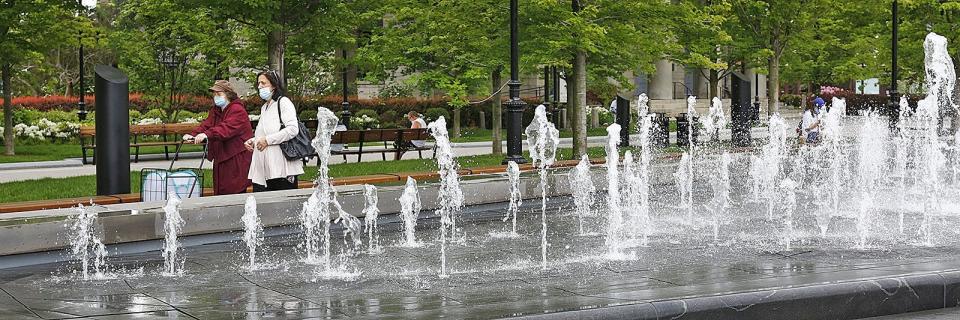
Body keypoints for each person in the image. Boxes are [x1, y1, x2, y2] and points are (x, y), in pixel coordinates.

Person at [182, 80, 253, 195]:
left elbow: (225, 128)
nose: (216, 97)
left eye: (219, 94)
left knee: (234, 191)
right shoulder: (216, 110)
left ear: (228, 95)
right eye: (214, 94)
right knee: (221, 190)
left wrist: (207, 134)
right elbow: (207, 124)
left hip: (236, 158)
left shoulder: (237, 110)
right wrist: (194, 134)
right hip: (222, 157)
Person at [245, 71, 304, 192]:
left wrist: (267, 140)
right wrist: (253, 140)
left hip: (281, 167)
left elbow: (292, 129)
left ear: (274, 85)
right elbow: (264, 132)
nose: (260, 86)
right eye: (258, 83)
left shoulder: (283, 103)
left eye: (263, 83)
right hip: (264, 168)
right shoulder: (265, 107)